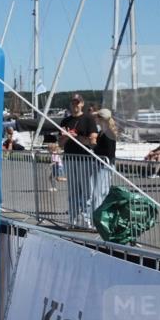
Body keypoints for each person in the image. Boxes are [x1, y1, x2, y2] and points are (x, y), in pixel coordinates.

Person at [58, 93, 98, 226]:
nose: (75, 105)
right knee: (73, 190)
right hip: (69, 159)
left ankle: (87, 221)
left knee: (87, 191)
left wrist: (77, 136)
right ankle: (73, 220)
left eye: (77, 102)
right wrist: (66, 136)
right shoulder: (65, 121)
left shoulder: (89, 119)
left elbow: (93, 140)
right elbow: (60, 144)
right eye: (73, 102)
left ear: (82, 104)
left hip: (85, 159)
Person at [91, 108, 118, 211]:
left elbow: (109, 152)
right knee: (101, 191)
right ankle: (100, 213)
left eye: (96, 117)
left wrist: (94, 147)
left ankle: (99, 214)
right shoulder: (103, 131)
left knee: (100, 192)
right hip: (103, 164)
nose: (95, 119)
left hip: (105, 165)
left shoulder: (108, 133)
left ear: (101, 119)